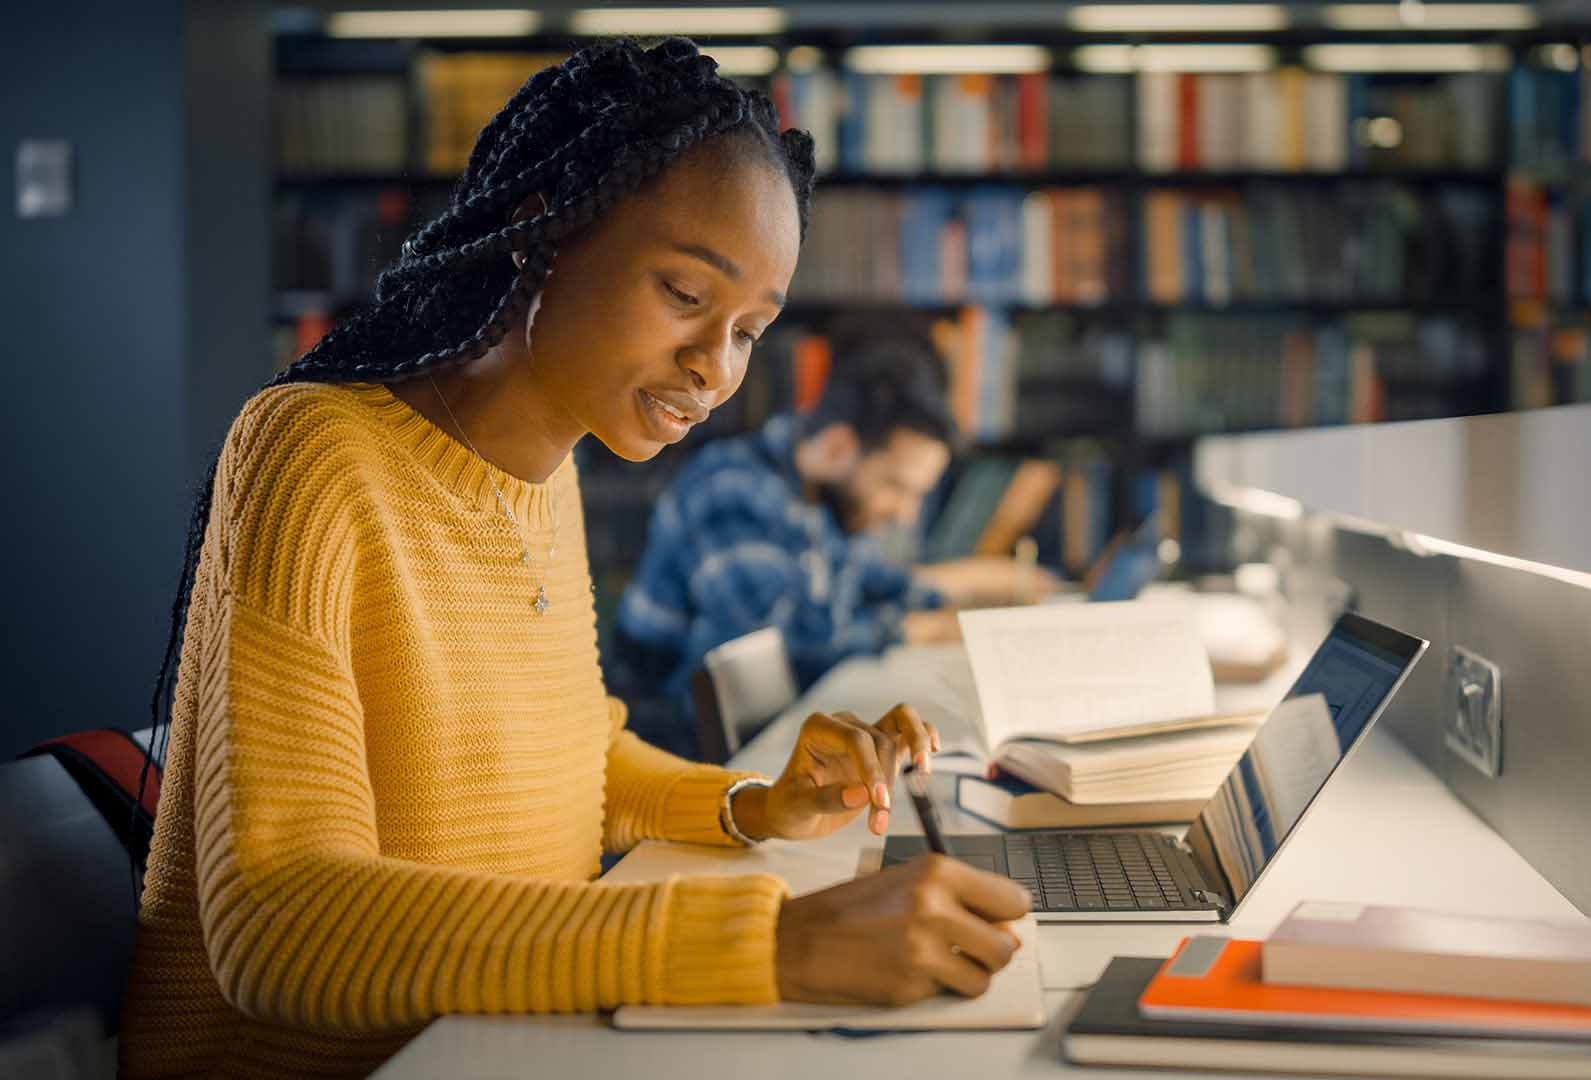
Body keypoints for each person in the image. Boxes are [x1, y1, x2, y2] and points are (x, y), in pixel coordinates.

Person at [119, 39, 1028, 1080]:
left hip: (498, 1043)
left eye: (749, 330)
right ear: (538, 228)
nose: (715, 368)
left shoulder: (548, 476)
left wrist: (753, 804)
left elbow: (572, 761)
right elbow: (277, 923)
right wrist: (769, 945)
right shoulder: (313, 454)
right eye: (686, 294)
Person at [611, 337, 1058, 757]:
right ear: (840, 446)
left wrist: (980, 586)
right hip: (666, 755)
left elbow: (872, 580)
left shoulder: (817, 493)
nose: (904, 514)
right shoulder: (732, 492)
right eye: (896, 487)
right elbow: (787, 648)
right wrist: (930, 629)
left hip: (759, 746)